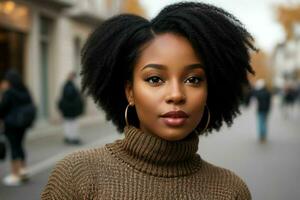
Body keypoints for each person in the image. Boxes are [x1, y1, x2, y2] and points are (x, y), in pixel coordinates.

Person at [42, 2, 256, 199]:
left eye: (193, 79)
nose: (176, 94)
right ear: (130, 92)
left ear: (209, 90)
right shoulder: (77, 176)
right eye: (155, 79)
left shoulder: (230, 191)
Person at [0, 70, 34, 186]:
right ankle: (24, 170)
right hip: (23, 124)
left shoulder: (9, 92)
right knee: (20, 145)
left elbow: (3, 108)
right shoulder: (25, 90)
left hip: (11, 124)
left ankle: (15, 174)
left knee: (14, 147)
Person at [58, 72, 84, 145]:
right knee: (71, 123)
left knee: (69, 123)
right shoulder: (69, 86)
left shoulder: (68, 85)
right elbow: (70, 96)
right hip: (70, 109)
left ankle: (69, 137)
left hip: (69, 109)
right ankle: (72, 138)